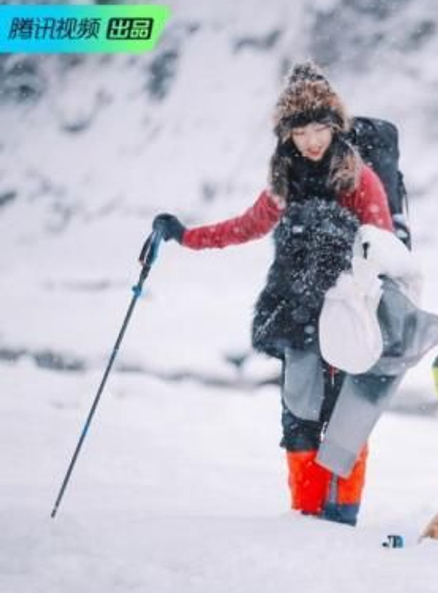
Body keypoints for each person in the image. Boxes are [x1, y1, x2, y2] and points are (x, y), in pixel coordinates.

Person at [151, 61, 394, 525]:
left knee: (346, 421)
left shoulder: (359, 179)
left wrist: (360, 291)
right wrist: (186, 236)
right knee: (300, 416)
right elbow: (245, 226)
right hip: (297, 313)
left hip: (349, 315)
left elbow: (384, 245)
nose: (312, 140)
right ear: (287, 135)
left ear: (334, 125)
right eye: (301, 130)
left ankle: (341, 516)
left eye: (320, 126)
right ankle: (305, 515)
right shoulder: (284, 183)